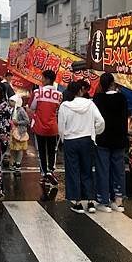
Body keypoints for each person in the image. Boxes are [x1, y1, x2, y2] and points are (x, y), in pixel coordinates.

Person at [58, 81, 105, 214]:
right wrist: (95, 132)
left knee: (73, 171)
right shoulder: (90, 104)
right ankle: (90, 202)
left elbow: (61, 127)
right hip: (87, 140)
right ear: (80, 91)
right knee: (87, 171)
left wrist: (63, 139)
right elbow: (101, 121)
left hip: (70, 141)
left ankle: (77, 203)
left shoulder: (65, 106)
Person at [93, 73, 128, 212]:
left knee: (103, 169)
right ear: (113, 83)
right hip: (119, 139)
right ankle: (118, 201)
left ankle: (104, 201)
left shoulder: (98, 99)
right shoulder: (122, 98)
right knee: (119, 170)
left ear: (101, 84)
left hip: (103, 139)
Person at [28, 70, 62, 185]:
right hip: (53, 127)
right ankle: (51, 171)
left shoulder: (37, 92)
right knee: (52, 151)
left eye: (42, 78)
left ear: (47, 79)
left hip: (39, 127)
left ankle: (44, 174)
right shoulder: (59, 95)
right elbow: (57, 110)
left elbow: (32, 107)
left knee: (41, 151)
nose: (41, 80)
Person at [8, 95, 30, 173]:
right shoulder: (11, 110)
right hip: (12, 131)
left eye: (12, 101)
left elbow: (27, 121)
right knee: (13, 149)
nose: (10, 103)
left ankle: (18, 163)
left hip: (20, 132)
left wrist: (18, 123)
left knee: (19, 148)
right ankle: (13, 163)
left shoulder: (21, 110)